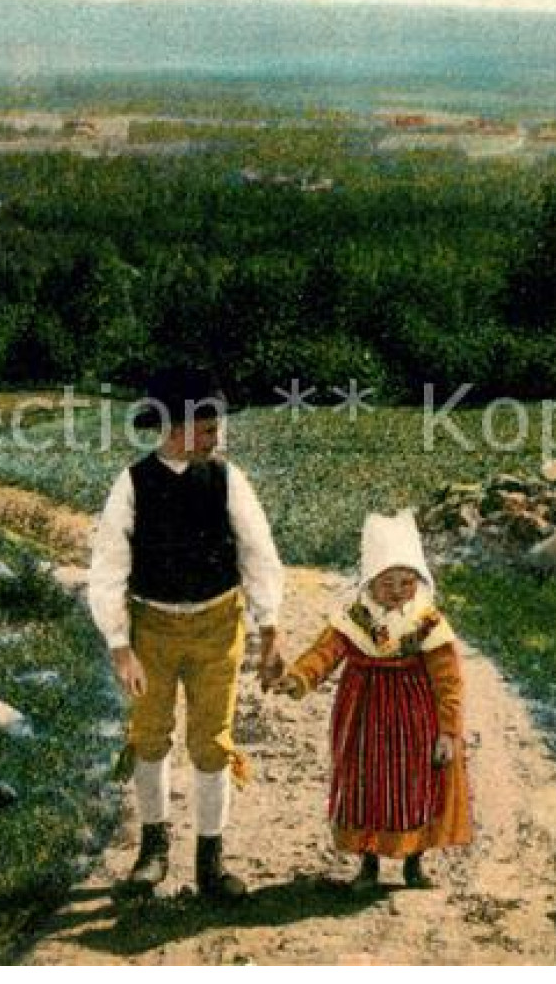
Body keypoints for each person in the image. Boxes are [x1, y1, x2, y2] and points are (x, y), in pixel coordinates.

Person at [87, 367, 286, 901]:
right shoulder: (131, 483)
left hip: (218, 627)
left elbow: (258, 553)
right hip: (151, 629)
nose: (216, 436)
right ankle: (153, 850)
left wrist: (270, 632)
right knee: (149, 736)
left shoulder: (228, 480)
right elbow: (107, 569)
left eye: (216, 426)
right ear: (173, 427)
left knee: (212, 742)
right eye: (207, 426)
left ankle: (210, 861)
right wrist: (120, 647)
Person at [272, 510, 471, 891]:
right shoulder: (355, 619)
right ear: (370, 583)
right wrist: (299, 678)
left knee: (415, 786)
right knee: (365, 785)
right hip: (363, 714)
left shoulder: (427, 622)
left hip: (415, 717)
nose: (397, 591)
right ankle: (368, 865)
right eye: (388, 582)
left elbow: (448, 680)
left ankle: (415, 863)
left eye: (406, 582)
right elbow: (325, 653)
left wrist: (448, 731)